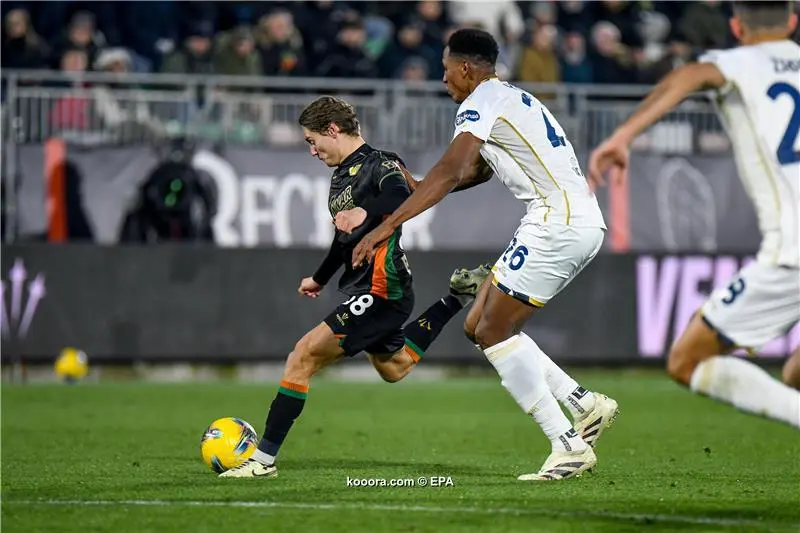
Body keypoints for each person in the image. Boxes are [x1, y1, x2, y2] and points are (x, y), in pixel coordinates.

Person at [352, 29, 619, 481]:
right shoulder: (507, 98)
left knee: (495, 329)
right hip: (571, 219)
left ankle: (566, 444)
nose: (443, 80)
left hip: (556, 222)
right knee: (479, 325)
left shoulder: (480, 101)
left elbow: (454, 168)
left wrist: (389, 224)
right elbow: (477, 169)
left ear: (466, 69)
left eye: (445, 70)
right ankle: (584, 404)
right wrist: (419, 187)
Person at [221, 96, 488, 478]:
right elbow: (343, 238)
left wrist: (366, 211)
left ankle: (262, 462)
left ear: (333, 130)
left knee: (302, 357)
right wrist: (320, 277)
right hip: (366, 286)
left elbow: (402, 195)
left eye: (313, 141)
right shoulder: (340, 177)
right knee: (394, 368)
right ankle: (456, 298)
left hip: (383, 287)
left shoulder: (381, 163)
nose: (312, 151)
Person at [588, 0, 800, 429]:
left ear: (737, 27)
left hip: (791, 252)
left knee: (687, 360)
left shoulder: (736, 63)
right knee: (795, 374)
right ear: (793, 22)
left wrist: (623, 135)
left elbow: (690, 74)